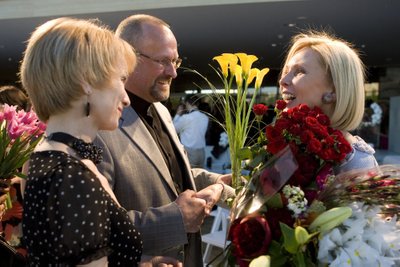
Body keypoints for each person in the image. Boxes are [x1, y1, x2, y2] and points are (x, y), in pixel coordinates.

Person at [20, 17, 181, 266]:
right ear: (86, 81)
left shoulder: (51, 158)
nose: (126, 98)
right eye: (120, 79)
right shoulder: (70, 174)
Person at [95, 14, 234, 266]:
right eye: (163, 61)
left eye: (175, 60)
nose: (173, 72)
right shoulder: (98, 125)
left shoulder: (159, 109)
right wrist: (175, 220)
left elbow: (165, 174)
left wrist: (214, 181)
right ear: (127, 58)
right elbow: (95, 228)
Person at [279, 31, 378, 174]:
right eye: (286, 71)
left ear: (334, 91)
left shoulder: (357, 166)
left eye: (299, 71)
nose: (283, 81)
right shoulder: (291, 144)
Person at [173, 94, 209, 168]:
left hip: (189, 152)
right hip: (201, 152)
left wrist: (177, 114)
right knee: (201, 176)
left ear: (187, 103)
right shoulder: (205, 117)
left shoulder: (186, 118)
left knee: (190, 177)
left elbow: (173, 129)